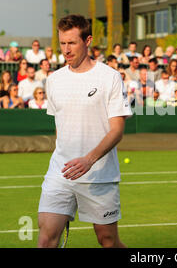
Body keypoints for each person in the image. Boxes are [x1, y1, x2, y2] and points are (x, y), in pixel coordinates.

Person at [37, 14, 132, 249]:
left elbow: (117, 130)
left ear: (87, 40)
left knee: (108, 241)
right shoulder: (54, 80)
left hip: (99, 175)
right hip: (60, 173)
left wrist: (89, 160)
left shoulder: (110, 77)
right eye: (62, 43)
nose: (66, 50)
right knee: (46, 239)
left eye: (72, 43)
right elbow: (60, 128)